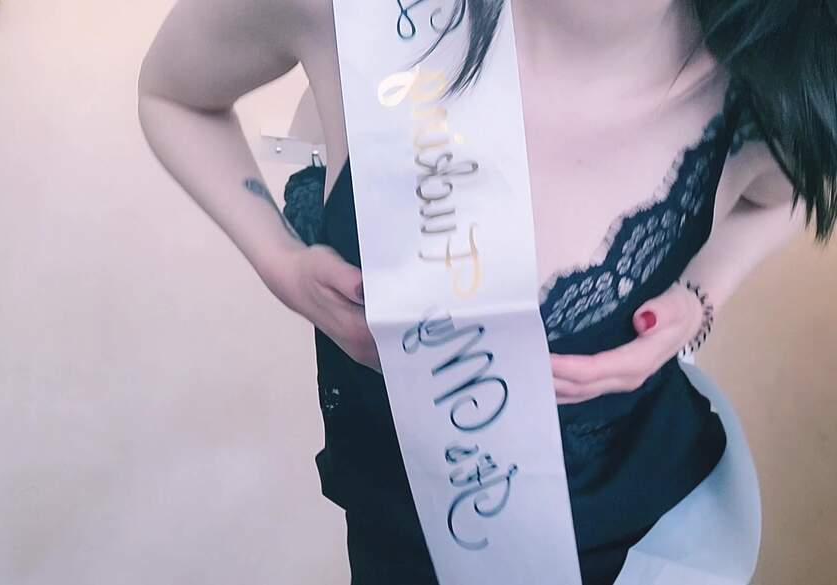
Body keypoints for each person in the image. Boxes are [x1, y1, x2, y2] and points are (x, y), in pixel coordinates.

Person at [136, 1, 837, 583]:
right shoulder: (343, 13)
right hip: (392, 524)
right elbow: (173, 97)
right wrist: (281, 263)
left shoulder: (766, 79)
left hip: (630, 527)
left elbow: (783, 195)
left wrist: (700, 297)